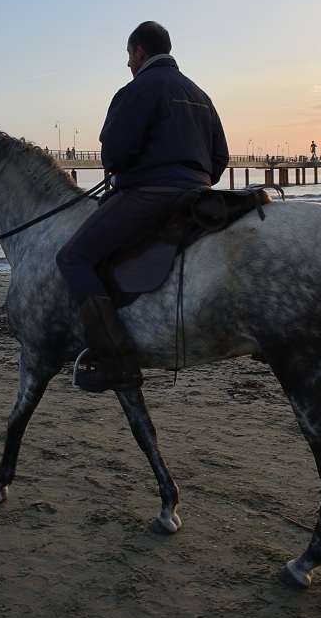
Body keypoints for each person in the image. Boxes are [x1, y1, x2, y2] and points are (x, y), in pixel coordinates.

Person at [56, 21, 229, 393]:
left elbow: (116, 152)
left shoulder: (136, 90)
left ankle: (114, 357)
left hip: (150, 196)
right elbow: (220, 158)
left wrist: (134, 171)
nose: (128, 64)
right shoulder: (200, 95)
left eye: (128, 56)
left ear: (139, 52)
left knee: (72, 257)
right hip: (197, 196)